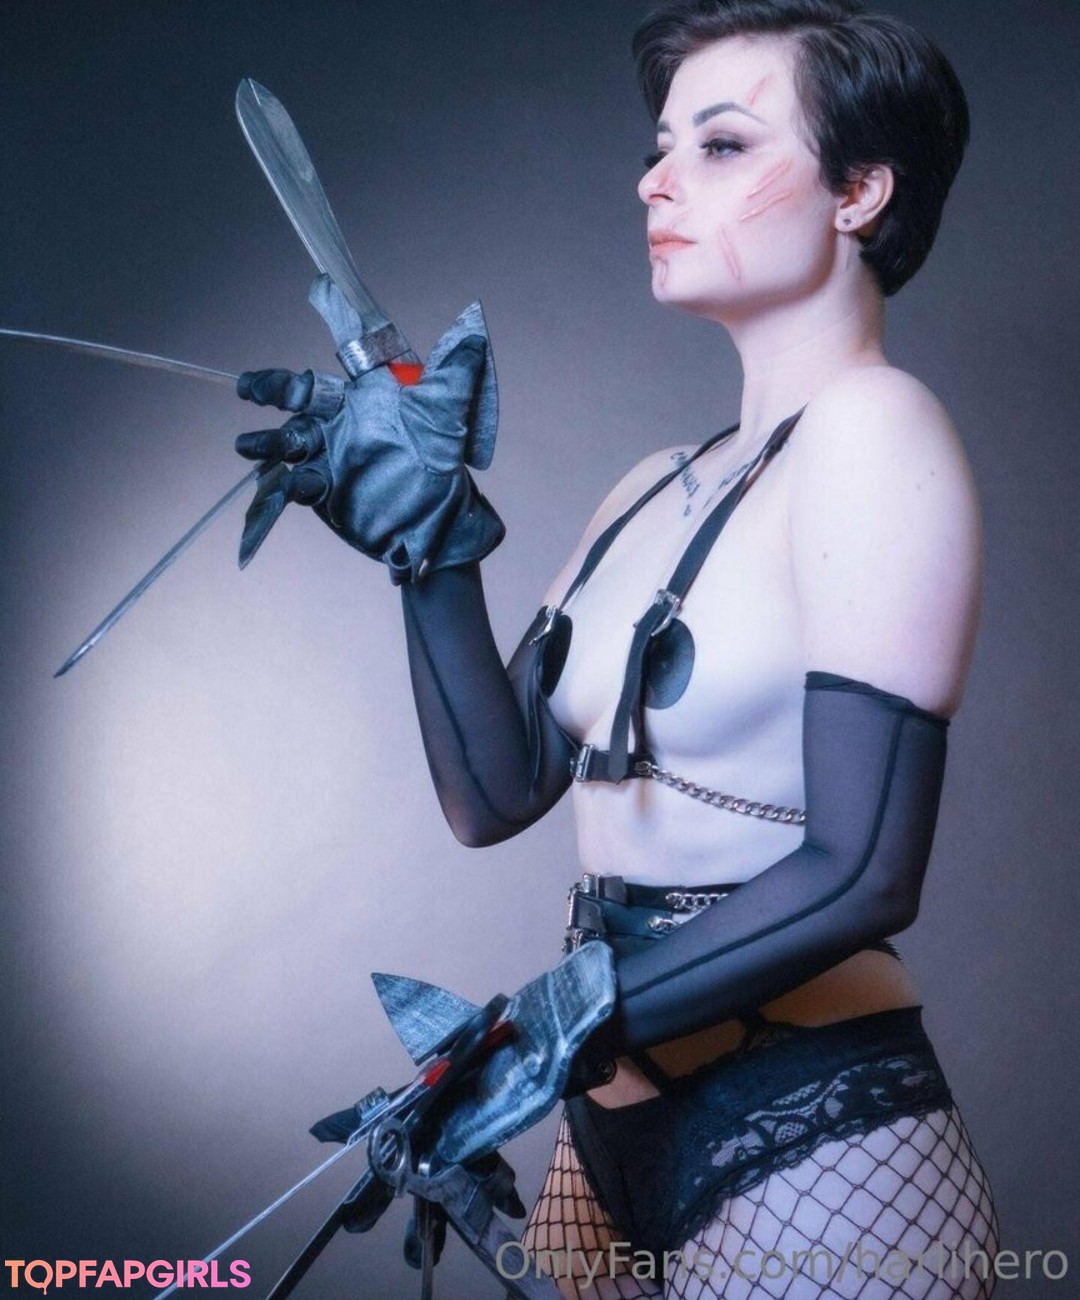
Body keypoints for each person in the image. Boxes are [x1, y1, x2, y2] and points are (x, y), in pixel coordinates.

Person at [234, 1, 999, 1294]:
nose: (656, 179)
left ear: (860, 191)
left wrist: (552, 1027)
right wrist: (431, 544)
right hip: (606, 1140)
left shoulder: (879, 432)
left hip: (814, 1132)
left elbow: (865, 870)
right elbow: (496, 794)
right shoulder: (653, 486)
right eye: (660, 148)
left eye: (722, 144)